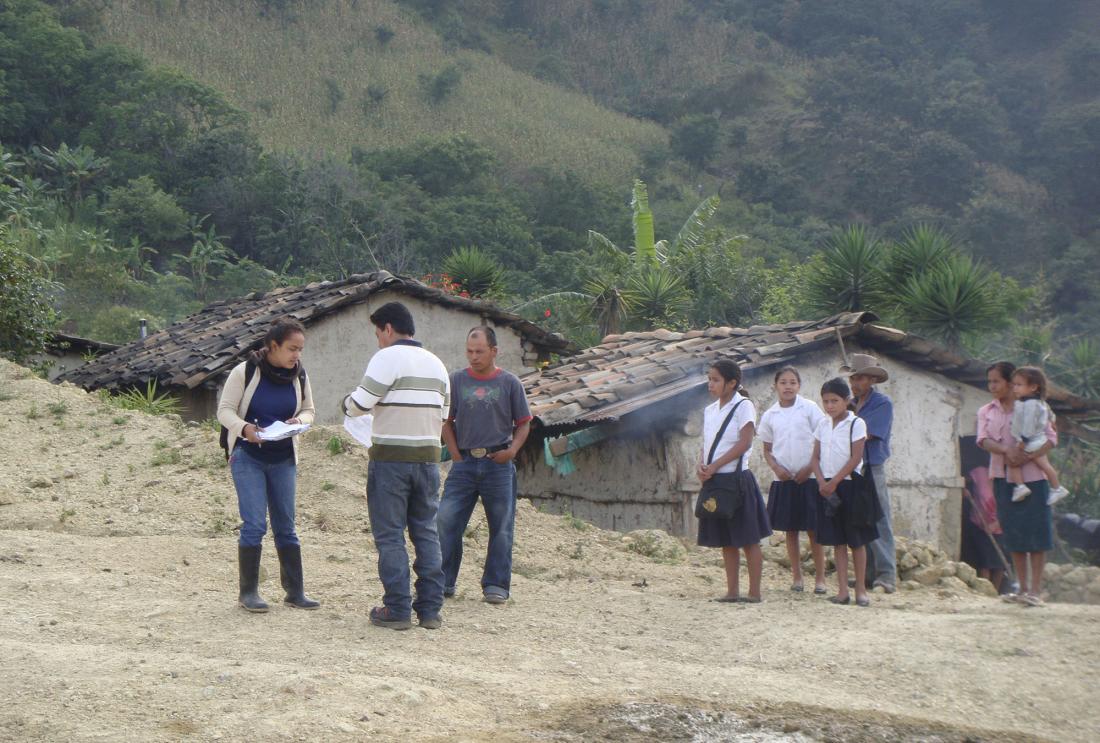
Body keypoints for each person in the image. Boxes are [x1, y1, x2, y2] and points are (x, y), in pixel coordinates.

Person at [342, 302, 450, 630]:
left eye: (378, 333)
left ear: (388, 329)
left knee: (390, 536)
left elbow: (360, 404)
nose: (378, 341)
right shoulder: (438, 364)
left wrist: (345, 403)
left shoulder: (386, 358)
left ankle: (397, 609)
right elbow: (444, 416)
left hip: (390, 462)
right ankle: (430, 610)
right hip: (429, 462)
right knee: (426, 533)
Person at [217, 318, 318, 613]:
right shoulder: (245, 371)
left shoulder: (300, 375)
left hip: (284, 457)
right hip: (249, 457)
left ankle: (295, 592)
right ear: (272, 346)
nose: (296, 355)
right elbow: (224, 411)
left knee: (286, 525)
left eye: (300, 349)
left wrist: (299, 421)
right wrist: (245, 428)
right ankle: (248, 593)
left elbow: (310, 410)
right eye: (291, 349)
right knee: (255, 524)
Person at [437, 326, 533, 604]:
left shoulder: (510, 383)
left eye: (479, 351)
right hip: (464, 464)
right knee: (445, 520)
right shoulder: (455, 380)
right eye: (469, 351)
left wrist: (512, 451)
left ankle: (496, 585)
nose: (473, 357)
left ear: (494, 351)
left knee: (501, 527)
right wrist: (455, 455)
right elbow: (446, 421)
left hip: (498, 465)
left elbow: (524, 424)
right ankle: (443, 581)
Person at [976, 361, 1057, 608]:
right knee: (1013, 534)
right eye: (989, 381)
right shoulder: (986, 411)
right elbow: (983, 440)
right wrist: (1005, 450)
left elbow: (1052, 439)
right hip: (1003, 478)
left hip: (1034, 479)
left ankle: (1035, 590)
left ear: (1011, 383)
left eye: (996, 381)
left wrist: (1027, 456)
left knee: (1037, 533)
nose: (992, 386)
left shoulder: (1035, 408)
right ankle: (1021, 588)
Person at [697, 359, 771, 603]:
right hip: (715, 480)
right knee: (726, 539)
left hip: (737, 479)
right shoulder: (709, 411)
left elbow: (745, 442)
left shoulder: (744, 406)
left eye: (716, 380)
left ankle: (755, 592)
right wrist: (702, 466)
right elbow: (707, 443)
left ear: (732, 383)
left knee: (748, 538)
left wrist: (715, 466)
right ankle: (732, 591)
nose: (711, 384)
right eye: (709, 379)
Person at [758, 366, 828, 594]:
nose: (788, 386)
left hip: (808, 479)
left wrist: (809, 467)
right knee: (790, 530)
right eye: (783, 382)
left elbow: (823, 440)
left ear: (799, 386)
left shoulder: (809, 409)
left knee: (814, 529)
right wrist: (776, 468)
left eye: (792, 382)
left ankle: (820, 579)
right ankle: (797, 577)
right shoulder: (770, 415)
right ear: (775, 386)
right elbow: (767, 449)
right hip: (784, 480)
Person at [810, 377, 879, 607]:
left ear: (846, 400)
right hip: (827, 487)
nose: (830, 406)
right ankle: (841, 591)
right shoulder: (821, 424)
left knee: (856, 541)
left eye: (835, 401)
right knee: (837, 541)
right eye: (826, 401)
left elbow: (856, 457)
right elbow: (815, 457)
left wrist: (835, 482)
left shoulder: (855, 423)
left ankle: (860, 590)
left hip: (849, 485)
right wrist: (821, 482)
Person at [844, 353, 896, 593]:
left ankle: (887, 575)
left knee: (879, 519)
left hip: (871, 466)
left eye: (861, 378)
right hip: (854, 467)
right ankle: (868, 573)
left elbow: (866, 434)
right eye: (854, 377)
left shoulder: (882, 404)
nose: (856, 383)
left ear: (872, 380)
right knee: (862, 519)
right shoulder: (852, 405)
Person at [1008, 366, 1069, 505]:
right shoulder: (1039, 402)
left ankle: (1021, 486)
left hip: (1030, 441)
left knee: (1012, 462)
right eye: (1014, 385)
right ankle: (1056, 488)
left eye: (1019, 385)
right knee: (1045, 465)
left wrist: (1023, 440)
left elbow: (1028, 424)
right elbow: (1051, 414)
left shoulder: (1030, 404)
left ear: (1033, 387)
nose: (1015, 388)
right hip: (1037, 440)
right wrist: (1052, 421)